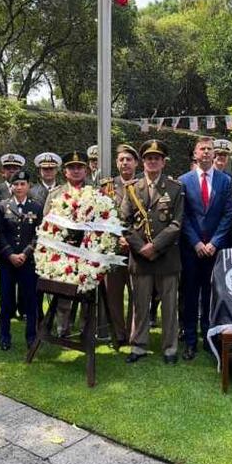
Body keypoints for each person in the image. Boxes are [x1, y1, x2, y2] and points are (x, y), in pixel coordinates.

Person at [121, 139, 185, 364]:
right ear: (143, 162)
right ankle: (138, 346)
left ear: (163, 162)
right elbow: (124, 222)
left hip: (166, 256)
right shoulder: (132, 188)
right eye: (148, 158)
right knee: (139, 304)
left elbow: (177, 223)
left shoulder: (175, 188)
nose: (152, 162)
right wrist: (141, 248)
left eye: (156, 158)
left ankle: (169, 348)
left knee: (169, 305)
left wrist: (155, 246)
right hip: (140, 258)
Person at [179, 136, 232, 361]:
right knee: (190, 295)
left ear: (214, 154)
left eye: (209, 149)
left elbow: (228, 213)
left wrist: (213, 243)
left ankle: (210, 338)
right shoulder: (184, 181)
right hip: (192, 249)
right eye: (201, 149)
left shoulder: (225, 181)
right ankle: (190, 340)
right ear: (195, 153)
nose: (205, 152)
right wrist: (196, 243)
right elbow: (182, 215)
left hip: (214, 249)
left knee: (212, 295)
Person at [41, 150, 92, 337]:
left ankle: (86, 329)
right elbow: (46, 222)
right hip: (63, 251)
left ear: (86, 171)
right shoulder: (56, 194)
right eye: (72, 167)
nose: (76, 171)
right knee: (63, 294)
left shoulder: (95, 193)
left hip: (88, 251)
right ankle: (63, 328)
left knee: (88, 293)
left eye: (80, 167)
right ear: (65, 171)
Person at [0, 169, 42, 351]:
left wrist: (25, 253)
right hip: (7, 262)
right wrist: (10, 254)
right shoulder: (2, 206)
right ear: (11, 186)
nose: (19, 187)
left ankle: (31, 336)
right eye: (16, 184)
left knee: (31, 301)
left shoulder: (36, 207)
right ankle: (5, 337)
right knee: (6, 300)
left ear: (28, 186)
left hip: (28, 262)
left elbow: (39, 234)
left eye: (23, 184)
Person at [103, 143, 139, 348]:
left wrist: (131, 238)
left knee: (138, 294)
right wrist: (117, 239)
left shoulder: (144, 185)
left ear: (136, 163)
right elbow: (100, 217)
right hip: (113, 249)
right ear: (117, 163)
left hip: (136, 249)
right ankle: (119, 334)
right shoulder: (107, 187)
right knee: (113, 294)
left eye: (129, 159)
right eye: (121, 160)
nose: (125, 163)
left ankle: (134, 334)